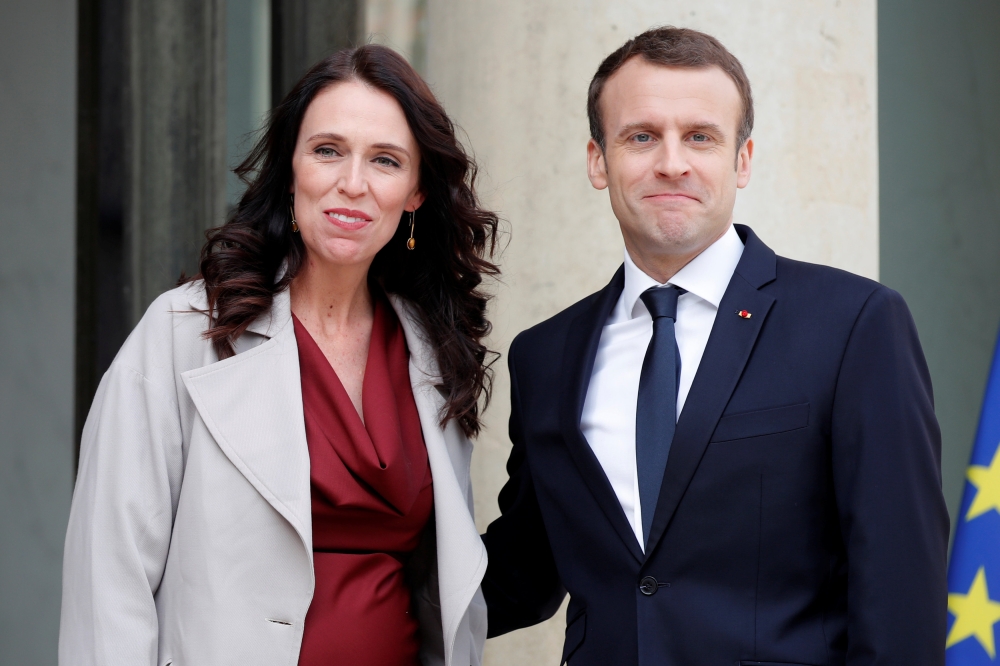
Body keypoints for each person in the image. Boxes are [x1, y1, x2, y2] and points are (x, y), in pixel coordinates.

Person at [481, 26, 949, 665]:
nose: (671, 161)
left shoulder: (855, 325)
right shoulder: (545, 356)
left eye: (700, 136)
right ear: (598, 160)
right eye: (641, 136)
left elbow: (901, 597)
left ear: (743, 159)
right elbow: (520, 576)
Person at [60, 45, 497, 666]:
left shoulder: (433, 347)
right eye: (327, 150)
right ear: (290, 167)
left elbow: (440, 582)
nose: (353, 183)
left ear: (417, 192)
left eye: (385, 160)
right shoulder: (184, 331)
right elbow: (109, 576)